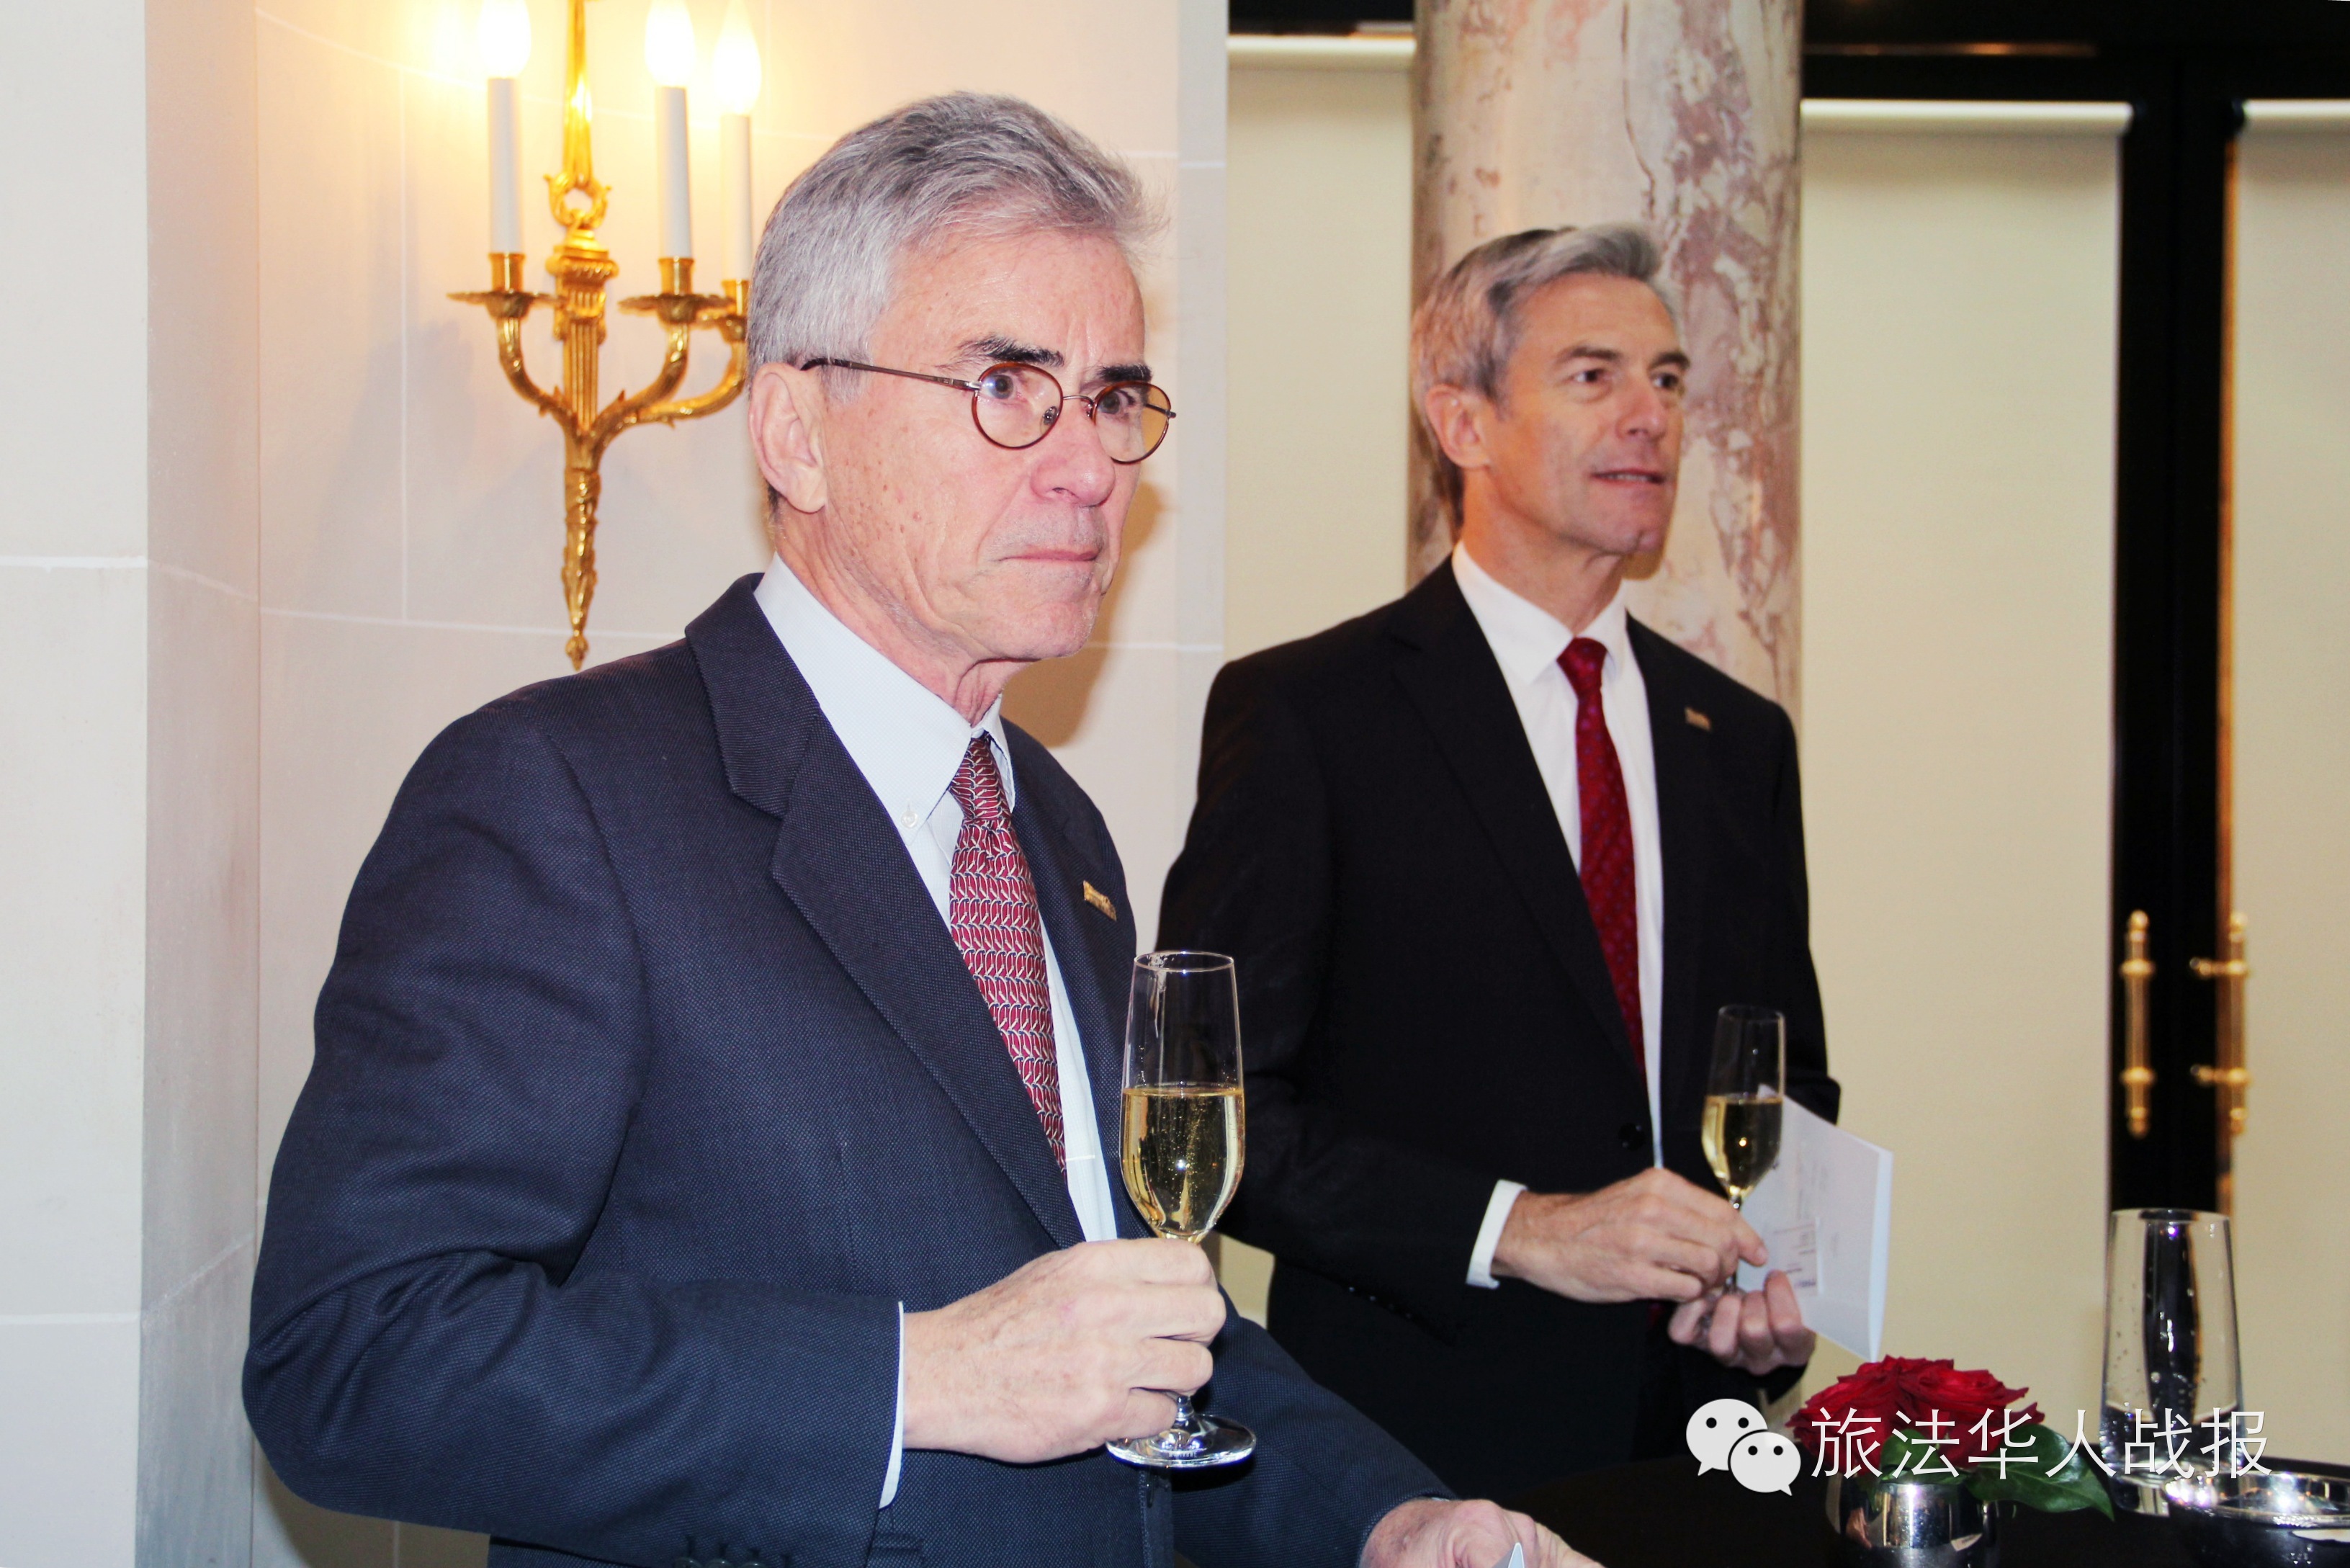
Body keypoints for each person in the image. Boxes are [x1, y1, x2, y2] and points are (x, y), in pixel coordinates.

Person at [243, 95, 1596, 1568]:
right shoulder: (558, 798)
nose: (1090, 466)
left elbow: (1127, 1317)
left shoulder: (1055, 827)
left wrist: (1387, 1518)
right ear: (796, 434)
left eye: (1113, 397)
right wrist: (913, 1380)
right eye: (1008, 385)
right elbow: (355, 1359)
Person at [1158, 223, 1841, 1500]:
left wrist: (1770, 1278)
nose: (1650, 415)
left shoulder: (1738, 739)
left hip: (1693, 1449)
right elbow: (1219, 1114)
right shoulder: (1313, 715)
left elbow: (1781, 1076)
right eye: (1594, 376)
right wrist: (1518, 1229)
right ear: (1461, 421)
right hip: (1413, 1459)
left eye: (1669, 379)